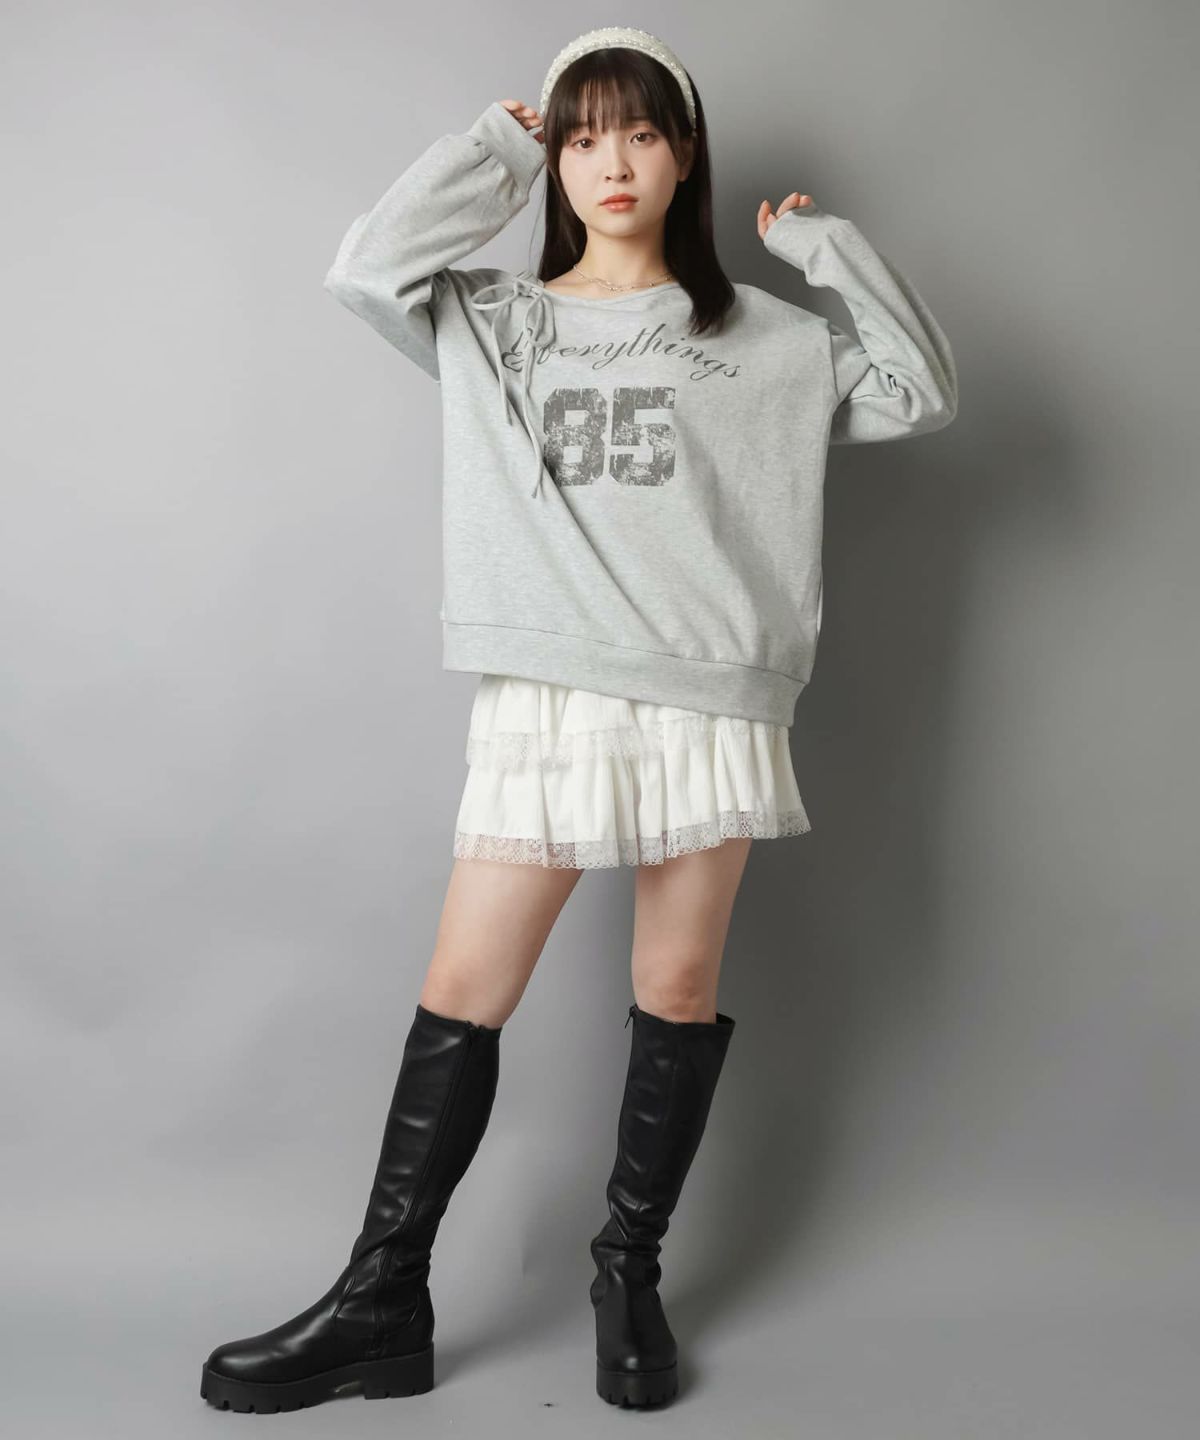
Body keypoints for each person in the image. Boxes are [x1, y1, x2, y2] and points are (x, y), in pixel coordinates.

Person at [200, 25, 957, 1415]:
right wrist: (494, 148)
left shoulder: (766, 341)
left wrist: (828, 250)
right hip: (548, 690)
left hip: (708, 695)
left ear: (685, 155)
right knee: (465, 990)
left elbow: (921, 390)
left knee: (675, 990)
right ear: (557, 159)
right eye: (584, 135)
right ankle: (382, 1298)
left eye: (643, 133)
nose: (614, 162)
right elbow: (366, 268)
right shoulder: (495, 323)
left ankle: (628, 1272)